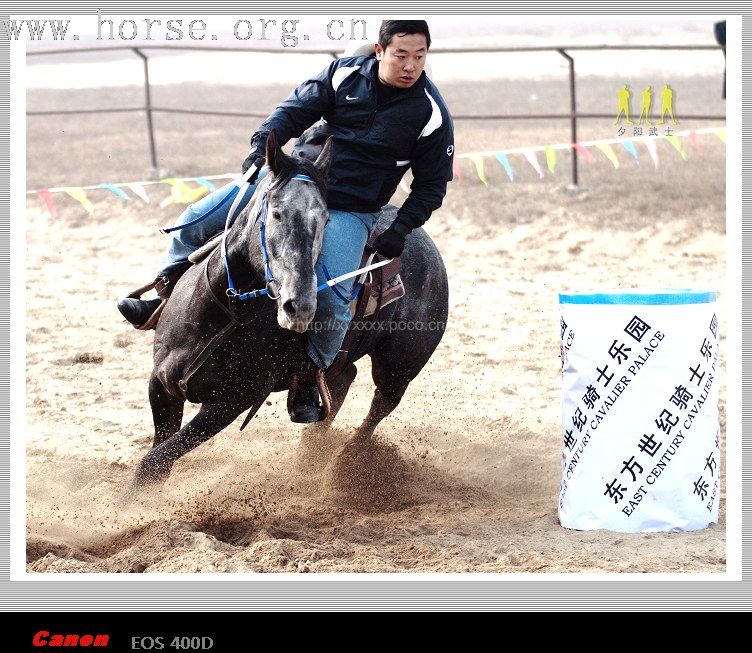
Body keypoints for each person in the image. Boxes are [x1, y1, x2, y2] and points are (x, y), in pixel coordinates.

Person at [117, 19, 455, 423]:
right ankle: (163, 296)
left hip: (349, 208)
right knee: (193, 221)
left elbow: (432, 185)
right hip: (291, 178)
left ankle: (310, 375)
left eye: (420, 57)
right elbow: (293, 111)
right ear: (379, 51)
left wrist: (399, 230)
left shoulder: (430, 114)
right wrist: (263, 143)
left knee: (332, 296)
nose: (410, 65)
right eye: (401, 55)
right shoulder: (343, 73)